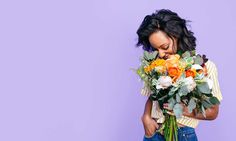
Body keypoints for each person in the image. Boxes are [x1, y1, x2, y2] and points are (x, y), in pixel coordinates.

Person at [135, 9, 223, 141]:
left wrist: (185, 110)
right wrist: (146, 117)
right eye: (155, 49)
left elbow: (213, 112)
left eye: (164, 47)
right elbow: (152, 97)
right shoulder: (155, 64)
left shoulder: (204, 67)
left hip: (183, 135)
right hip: (154, 133)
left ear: (178, 36)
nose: (160, 54)